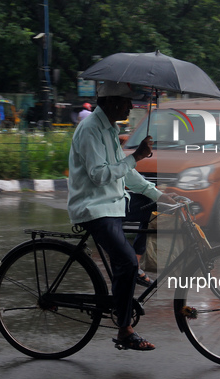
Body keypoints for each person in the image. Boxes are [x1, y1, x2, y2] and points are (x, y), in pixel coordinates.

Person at [67, 81, 176, 351]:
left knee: (149, 205)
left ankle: (131, 264)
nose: (130, 106)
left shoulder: (109, 129)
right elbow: (100, 174)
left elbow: (125, 173)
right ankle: (125, 330)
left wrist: (158, 195)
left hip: (114, 202)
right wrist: (135, 156)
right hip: (95, 207)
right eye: (127, 101)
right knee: (125, 262)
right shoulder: (91, 130)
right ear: (113, 102)